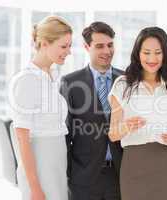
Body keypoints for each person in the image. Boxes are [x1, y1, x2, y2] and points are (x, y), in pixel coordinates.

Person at [108, 26, 167, 200]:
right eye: (146, 52)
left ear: (165, 54)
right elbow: (112, 134)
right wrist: (126, 126)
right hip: (134, 164)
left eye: (157, 52)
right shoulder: (122, 84)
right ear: (137, 53)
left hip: (165, 164)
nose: (152, 58)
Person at [9, 15, 72, 200]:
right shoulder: (27, 80)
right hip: (41, 166)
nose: (68, 52)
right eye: (63, 46)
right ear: (44, 44)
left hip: (55, 164)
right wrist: (34, 187)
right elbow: (22, 138)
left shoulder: (51, 77)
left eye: (69, 46)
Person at [60, 21, 123, 200]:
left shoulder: (126, 80)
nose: (107, 51)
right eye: (100, 46)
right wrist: (69, 173)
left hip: (119, 176)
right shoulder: (70, 83)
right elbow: (65, 134)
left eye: (110, 45)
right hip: (83, 178)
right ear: (87, 47)